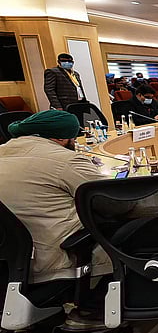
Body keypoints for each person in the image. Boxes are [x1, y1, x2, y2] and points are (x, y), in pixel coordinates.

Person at [0, 111, 112, 289]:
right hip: (52, 262)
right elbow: (113, 200)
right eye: (73, 137)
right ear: (60, 138)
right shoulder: (67, 160)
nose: (75, 142)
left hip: (9, 263)